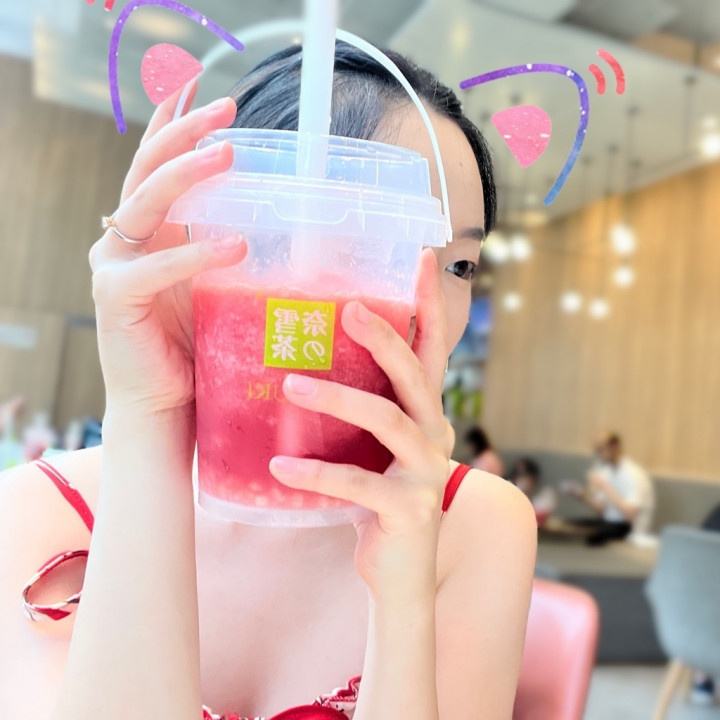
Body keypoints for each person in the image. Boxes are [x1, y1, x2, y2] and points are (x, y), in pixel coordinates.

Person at [0, 43, 537, 719]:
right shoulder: (38, 511)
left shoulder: (480, 524)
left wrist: (403, 598)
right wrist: (150, 417)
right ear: (233, 227)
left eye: (459, 266)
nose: (418, 303)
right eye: (378, 241)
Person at [563, 431, 654, 546]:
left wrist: (605, 487)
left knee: (592, 536)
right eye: (596, 450)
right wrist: (583, 495)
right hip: (608, 522)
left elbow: (630, 515)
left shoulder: (634, 475)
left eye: (600, 449)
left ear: (614, 446)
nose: (598, 454)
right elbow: (601, 509)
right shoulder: (606, 472)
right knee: (568, 525)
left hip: (628, 528)